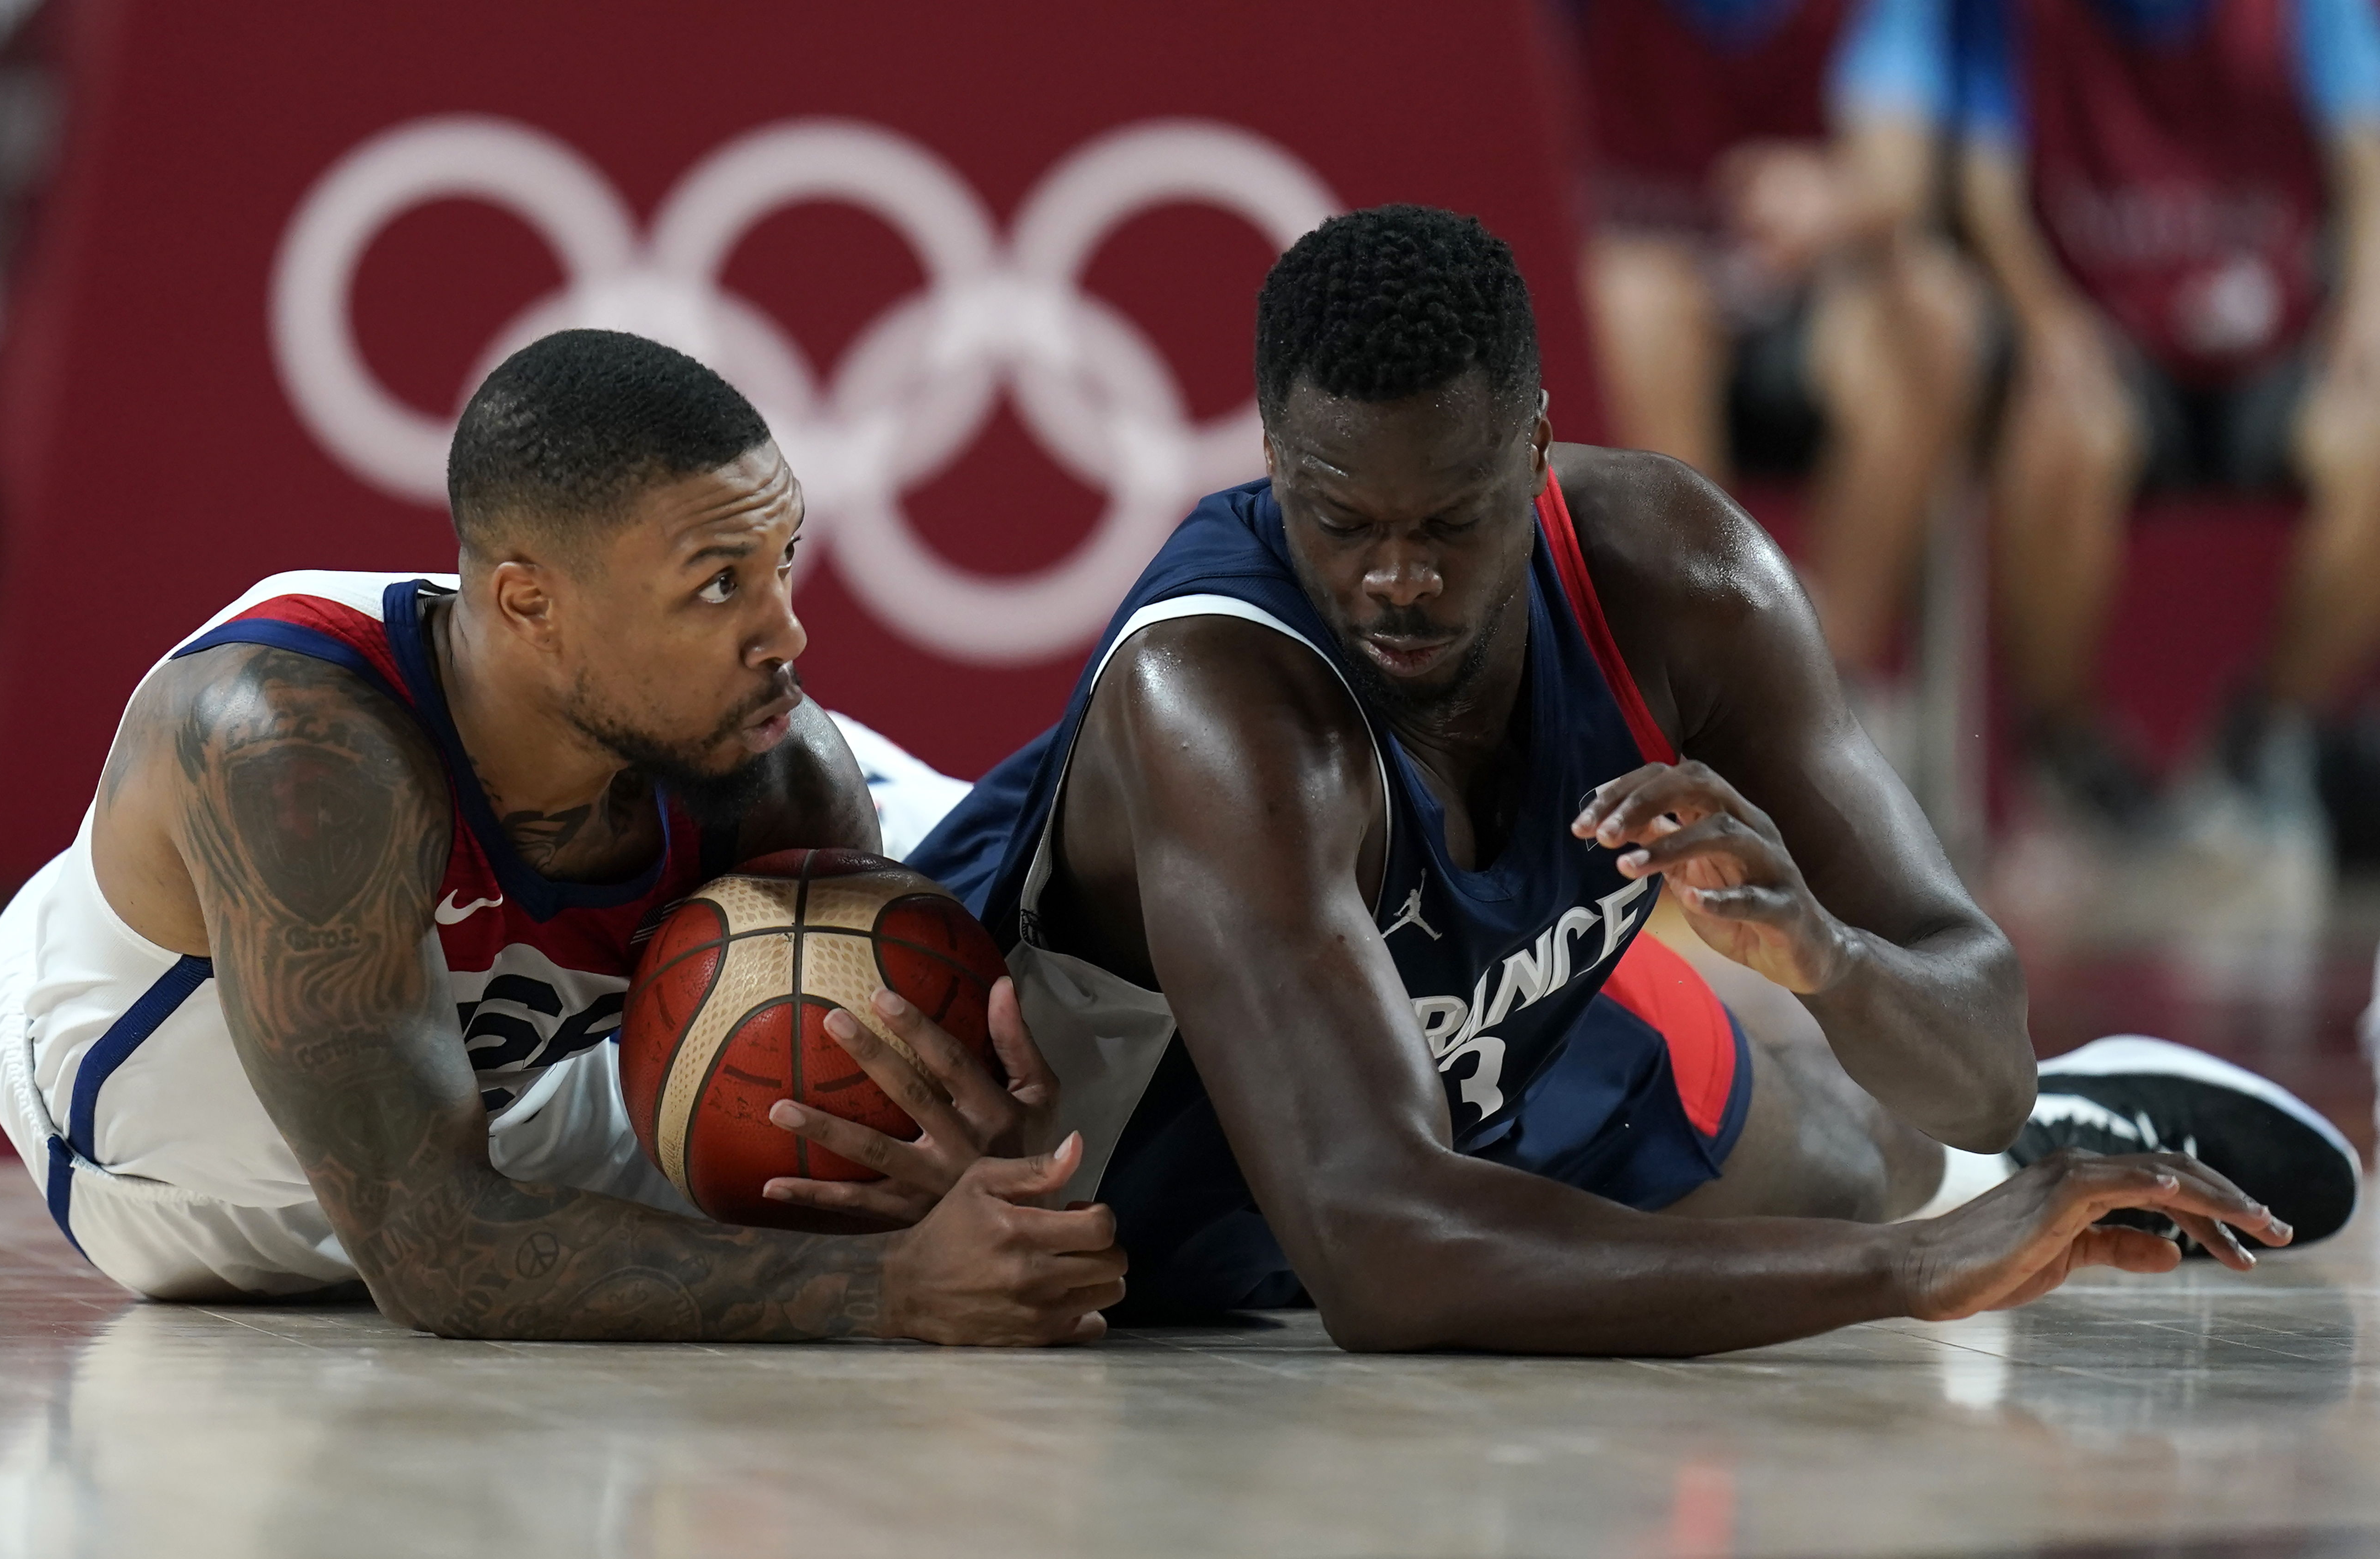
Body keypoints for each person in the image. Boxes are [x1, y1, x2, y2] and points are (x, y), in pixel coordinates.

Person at [795, 206, 2357, 1357]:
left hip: (1457, 1078)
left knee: (1872, 1151)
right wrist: (1925, 1273)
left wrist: (1830, 960)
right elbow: (1385, 1259)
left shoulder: (1681, 581)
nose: (1397, 579)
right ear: (1272, 461)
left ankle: (2030, 1172)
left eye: (1453, 522)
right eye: (1344, 523)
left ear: (1539, 447)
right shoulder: (1225, 703)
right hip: (1244, 1143)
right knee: (1864, 1226)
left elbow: (1979, 1044)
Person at [0, 330, 1125, 1345]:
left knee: (1032, 877)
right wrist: (891, 1285)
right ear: (528, 603)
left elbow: (851, 1133)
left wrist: (955, 1152)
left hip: (498, 1111)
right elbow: (435, 1253)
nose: (788, 629)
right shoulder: (289, 748)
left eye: (782, 562)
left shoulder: (772, 767)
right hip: (180, 1172)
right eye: (720, 585)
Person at [1957, 0, 2380, 840]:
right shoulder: (2020, 22)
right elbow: (1986, 193)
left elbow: (2366, 164)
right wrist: (2047, 321)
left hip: (2274, 341)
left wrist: (2366, 316)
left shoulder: (2305, 12)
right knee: (2058, 437)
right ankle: (2064, 745)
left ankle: (2266, 739)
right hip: (2108, 338)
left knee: (2372, 439)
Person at [1567, 0, 1980, 707]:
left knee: (1935, 312)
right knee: (1630, 296)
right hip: (1642, 316)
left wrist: (1834, 196)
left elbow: (1897, 172)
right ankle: (1697, 654)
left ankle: (1823, 686)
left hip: (1801, 314)